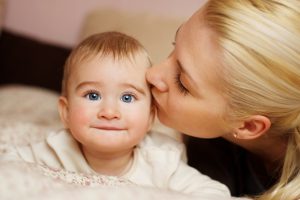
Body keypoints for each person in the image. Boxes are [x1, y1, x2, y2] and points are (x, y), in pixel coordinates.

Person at [0, 31, 231, 198]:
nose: (109, 112)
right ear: (66, 112)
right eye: (92, 95)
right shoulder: (54, 151)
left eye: (127, 98)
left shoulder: (161, 161)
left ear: (150, 116)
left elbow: (215, 193)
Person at [146, 0, 300, 199]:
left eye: (182, 83)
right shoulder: (201, 145)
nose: (152, 73)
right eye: (174, 45)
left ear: (249, 126)